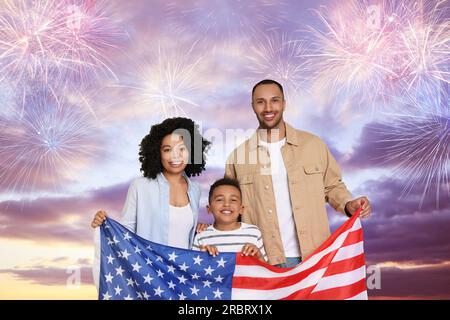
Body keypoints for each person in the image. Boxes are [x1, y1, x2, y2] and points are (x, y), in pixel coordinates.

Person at [225, 79, 372, 268]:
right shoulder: (238, 157)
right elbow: (229, 211)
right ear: (253, 106)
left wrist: (348, 204)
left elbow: (332, 185)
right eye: (260, 102)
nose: (268, 108)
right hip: (263, 261)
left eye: (275, 100)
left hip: (314, 257)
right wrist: (208, 232)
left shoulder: (313, 145)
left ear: (284, 103)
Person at [91, 117, 210, 287]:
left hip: (181, 278)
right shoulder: (140, 186)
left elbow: (185, 235)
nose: (175, 155)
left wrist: (200, 232)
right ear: (157, 153)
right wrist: (103, 225)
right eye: (167, 149)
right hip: (149, 277)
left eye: (181, 149)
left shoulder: (195, 190)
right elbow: (125, 234)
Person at [193, 178, 267, 262]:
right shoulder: (201, 236)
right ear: (209, 209)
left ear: (241, 209)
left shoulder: (253, 232)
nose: (227, 204)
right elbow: (193, 269)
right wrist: (203, 257)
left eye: (233, 200)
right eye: (219, 199)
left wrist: (258, 255)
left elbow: (265, 268)